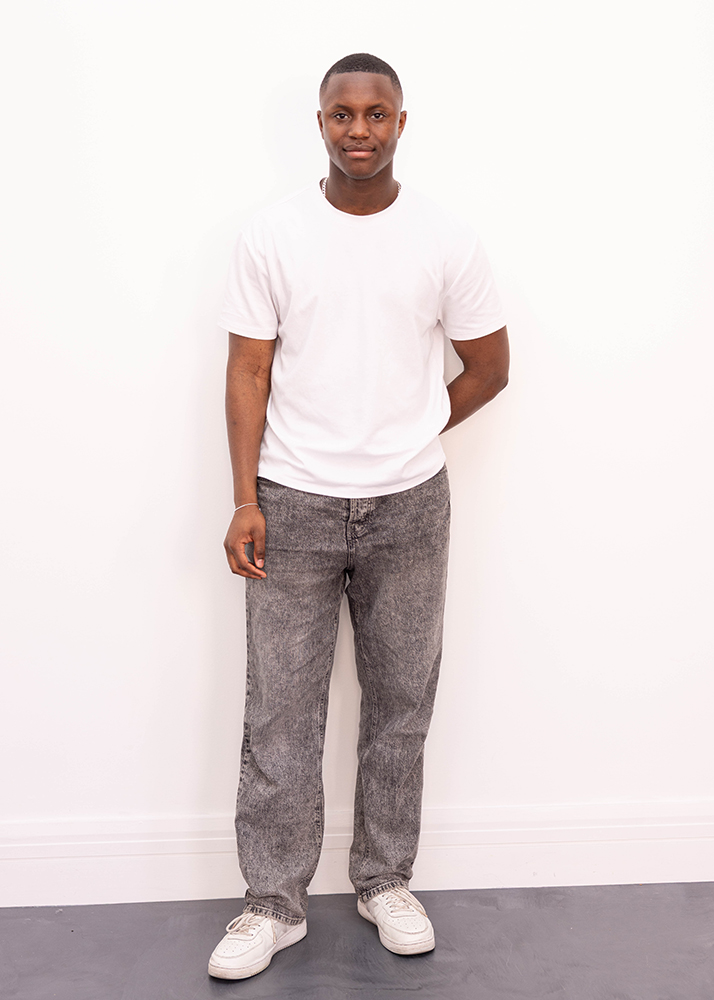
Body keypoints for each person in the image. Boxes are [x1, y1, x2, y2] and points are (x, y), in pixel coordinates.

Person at [208, 52, 509, 981]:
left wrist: (411, 428)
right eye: (343, 114)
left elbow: (491, 367)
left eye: (377, 114)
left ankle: (384, 880)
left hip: (410, 506)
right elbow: (248, 369)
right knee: (279, 712)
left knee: (401, 703)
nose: (360, 130)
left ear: (401, 123)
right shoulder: (273, 233)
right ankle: (273, 903)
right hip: (291, 502)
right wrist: (245, 497)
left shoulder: (445, 238)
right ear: (321, 123)